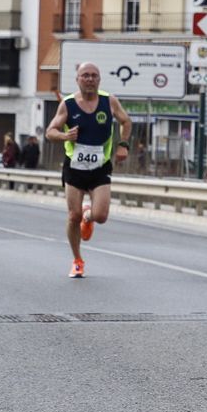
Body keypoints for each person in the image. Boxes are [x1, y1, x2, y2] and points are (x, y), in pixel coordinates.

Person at [45, 62, 132, 279]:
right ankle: (77, 260)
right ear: (77, 80)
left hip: (100, 167)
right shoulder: (68, 105)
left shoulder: (109, 101)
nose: (90, 79)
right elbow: (50, 131)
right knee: (72, 216)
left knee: (101, 216)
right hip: (74, 167)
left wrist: (123, 145)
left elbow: (126, 121)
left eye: (94, 75)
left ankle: (89, 215)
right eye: (85, 75)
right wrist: (65, 136)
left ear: (99, 79)